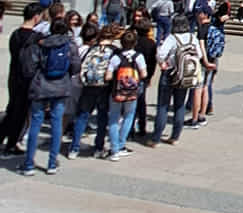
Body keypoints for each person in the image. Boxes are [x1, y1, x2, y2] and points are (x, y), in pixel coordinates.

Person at [19, 17, 81, 175]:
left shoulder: (41, 44)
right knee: (56, 124)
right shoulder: (70, 45)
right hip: (61, 86)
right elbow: (76, 67)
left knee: (35, 123)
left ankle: (28, 163)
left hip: (41, 84)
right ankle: (52, 163)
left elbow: (30, 67)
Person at [150, 14, 203, 146]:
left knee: (163, 106)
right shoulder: (192, 37)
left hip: (170, 74)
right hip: (185, 76)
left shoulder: (172, 38)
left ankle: (156, 138)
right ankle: (175, 136)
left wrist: (163, 62)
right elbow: (200, 54)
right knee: (180, 106)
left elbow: (161, 54)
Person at [1, 2, 44, 156]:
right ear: (36, 16)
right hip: (28, 78)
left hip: (14, 75)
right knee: (21, 112)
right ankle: (11, 144)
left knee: (12, 109)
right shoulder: (36, 37)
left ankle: (3, 138)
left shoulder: (15, 33)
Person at [67, 24, 112, 157]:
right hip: (104, 87)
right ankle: (98, 147)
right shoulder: (114, 50)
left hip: (89, 86)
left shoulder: (92, 49)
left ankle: (74, 148)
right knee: (102, 117)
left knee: (82, 115)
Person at [105, 28, 147, 159]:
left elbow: (108, 76)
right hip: (132, 91)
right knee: (129, 116)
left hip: (117, 91)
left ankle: (114, 149)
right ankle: (121, 143)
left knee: (114, 118)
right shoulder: (138, 56)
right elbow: (144, 73)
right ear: (135, 43)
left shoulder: (116, 57)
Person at [133, 12, 158, 140]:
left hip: (132, 74)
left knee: (131, 102)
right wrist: (150, 76)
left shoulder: (133, 41)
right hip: (144, 75)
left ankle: (130, 127)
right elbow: (153, 62)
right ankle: (142, 126)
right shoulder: (151, 43)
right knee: (141, 101)